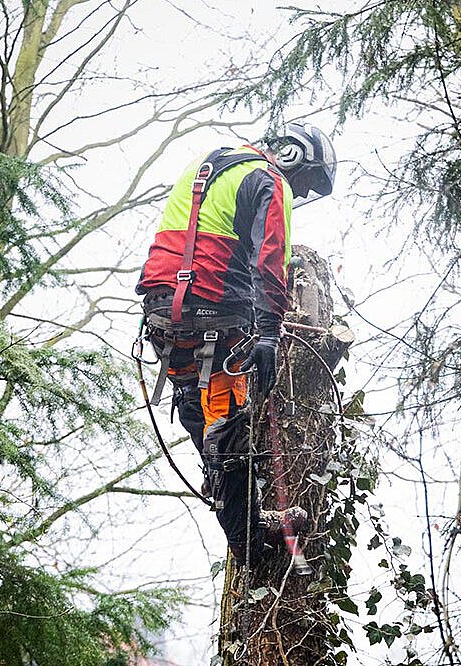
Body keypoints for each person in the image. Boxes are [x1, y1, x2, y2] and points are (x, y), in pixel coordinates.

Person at [135, 122, 336, 565]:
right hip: (216, 314)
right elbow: (271, 258)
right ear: (292, 156)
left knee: (196, 407)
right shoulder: (269, 179)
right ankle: (252, 547)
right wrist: (267, 328)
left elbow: (201, 239)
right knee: (228, 429)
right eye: (304, 183)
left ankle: (231, 499)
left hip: (164, 311)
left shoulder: (208, 166)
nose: (299, 193)